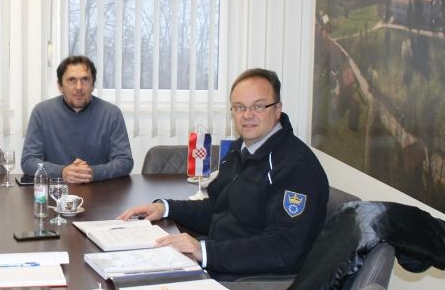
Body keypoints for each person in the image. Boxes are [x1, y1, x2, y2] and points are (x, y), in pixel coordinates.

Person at [118, 68, 329, 278]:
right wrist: (165, 207)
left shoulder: (297, 167)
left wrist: (204, 251)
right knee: (129, 263)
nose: (247, 115)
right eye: (239, 107)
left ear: (277, 110)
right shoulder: (241, 150)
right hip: (220, 260)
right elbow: (216, 208)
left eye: (258, 106)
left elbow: (283, 248)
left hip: (251, 282)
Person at [21, 55, 134, 184]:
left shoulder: (111, 113)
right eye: (72, 80)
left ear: (92, 85)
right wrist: (62, 172)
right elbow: (28, 161)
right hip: (56, 189)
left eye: (85, 79)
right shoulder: (41, 112)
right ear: (60, 86)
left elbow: (125, 161)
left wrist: (93, 172)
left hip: (100, 189)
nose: (79, 87)